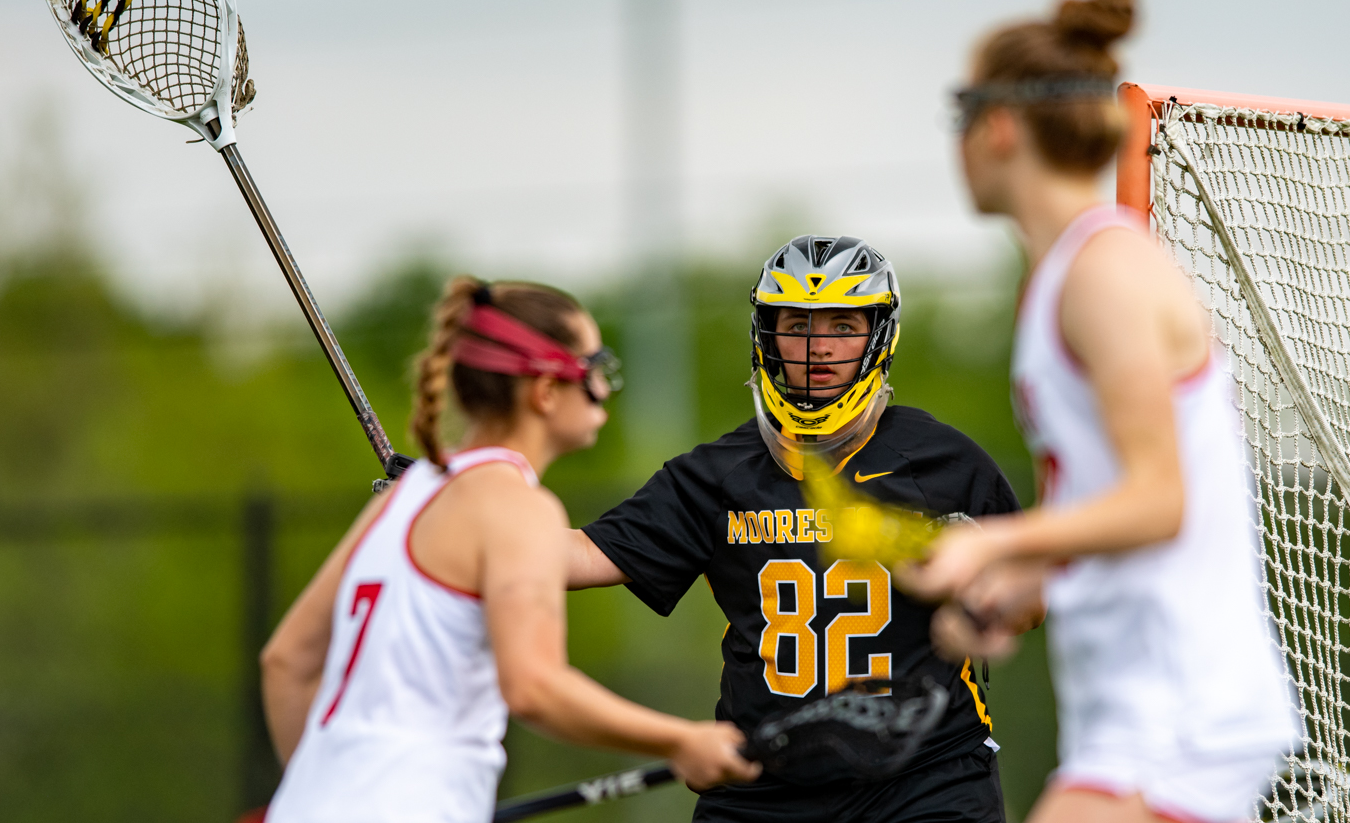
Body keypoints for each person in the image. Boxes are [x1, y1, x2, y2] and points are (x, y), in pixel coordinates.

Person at [902, 0, 1300, 823]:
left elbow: (1158, 500)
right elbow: (1105, 507)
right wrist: (1023, 584)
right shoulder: (1065, 278)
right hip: (1140, 714)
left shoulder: (1104, 272)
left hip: (1181, 712)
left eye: (959, 115)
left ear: (999, 127)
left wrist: (992, 543)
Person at [568, 235, 1038, 823]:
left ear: (879, 335)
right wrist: (462, 507)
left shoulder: (944, 462)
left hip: (924, 779)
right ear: (766, 335)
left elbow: (1032, 597)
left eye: (842, 325)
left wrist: (980, 592)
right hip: (762, 787)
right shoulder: (718, 472)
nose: (817, 347)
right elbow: (576, 558)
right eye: (797, 325)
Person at [260, 277, 759, 823]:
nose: (604, 389)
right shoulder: (519, 507)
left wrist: (328, 798)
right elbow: (533, 687)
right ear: (545, 390)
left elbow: (284, 662)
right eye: (594, 370)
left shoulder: (403, 498)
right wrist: (681, 739)